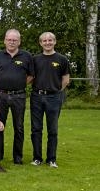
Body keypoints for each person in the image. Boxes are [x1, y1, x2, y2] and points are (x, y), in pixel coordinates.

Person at [0, 29, 33, 165]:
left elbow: (31, 76)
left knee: (19, 127)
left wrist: (18, 84)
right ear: (5, 40)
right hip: (1, 95)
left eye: (14, 40)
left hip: (19, 96)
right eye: (9, 39)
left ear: (19, 41)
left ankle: (18, 157)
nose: (11, 42)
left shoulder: (26, 56)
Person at [30, 32, 70, 168]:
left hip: (54, 97)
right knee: (36, 129)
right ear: (40, 43)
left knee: (52, 130)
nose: (48, 43)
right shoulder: (35, 59)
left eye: (50, 40)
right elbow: (30, 78)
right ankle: (37, 158)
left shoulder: (62, 59)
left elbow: (65, 79)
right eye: (45, 41)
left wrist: (57, 91)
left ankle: (51, 159)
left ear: (55, 42)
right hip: (36, 96)